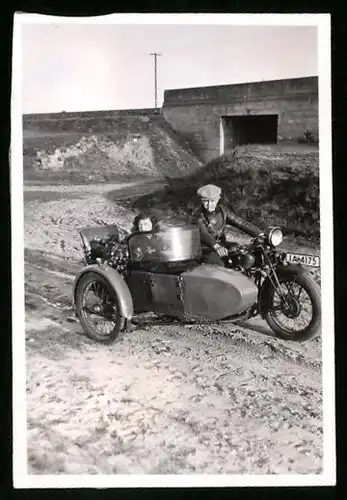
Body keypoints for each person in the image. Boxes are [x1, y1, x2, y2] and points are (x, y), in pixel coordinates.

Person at [191, 184, 263, 267]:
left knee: (244, 256)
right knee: (222, 265)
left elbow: (239, 222)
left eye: (212, 200)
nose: (209, 204)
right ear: (201, 201)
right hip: (205, 249)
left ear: (218, 199)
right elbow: (203, 233)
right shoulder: (197, 215)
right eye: (206, 201)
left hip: (222, 245)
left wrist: (260, 234)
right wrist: (216, 246)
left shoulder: (222, 211)